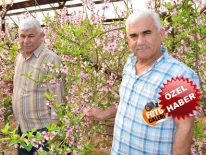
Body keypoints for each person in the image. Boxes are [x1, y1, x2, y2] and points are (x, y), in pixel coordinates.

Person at [85, 10, 200, 154]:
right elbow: (129, 102)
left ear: (161, 34)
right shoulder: (129, 64)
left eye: (146, 33)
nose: (140, 42)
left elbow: (185, 128)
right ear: (127, 40)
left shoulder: (180, 76)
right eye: (134, 36)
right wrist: (104, 113)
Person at [12, 17, 65, 155]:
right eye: (22, 36)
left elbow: (58, 99)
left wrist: (53, 133)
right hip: (22, 129)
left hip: (42, 130)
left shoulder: (51, 59)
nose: (26, 41)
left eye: (31, 36)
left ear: (41, 35)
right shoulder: (19, 57)